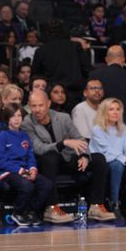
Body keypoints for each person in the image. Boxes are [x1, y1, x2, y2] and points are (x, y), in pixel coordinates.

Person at [22, 90, 115, 223]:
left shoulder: (63, 117)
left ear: (48, 104)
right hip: (45, 164)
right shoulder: (27, 123)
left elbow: (80, 140)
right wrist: (63, 143)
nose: (37, 110)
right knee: (50, 156)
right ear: (29, 106)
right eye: (33, 106)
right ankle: (51, 208)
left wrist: (84, 156)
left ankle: (96, 206)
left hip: (67, 159)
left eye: (40, 105)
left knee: (99, 158)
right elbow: (39, 148)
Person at [0, 103, 53, 226]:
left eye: (19, 116)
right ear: (7, 118)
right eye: (13, 116)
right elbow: (0, 161)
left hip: (25, 170)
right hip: (8, 171)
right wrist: (20, 171)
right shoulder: (2, 136)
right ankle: (18, 213)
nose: (17, 119)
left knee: (46, 184)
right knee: (27, 186)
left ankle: (31, 211)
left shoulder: (24, 135)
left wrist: (32, 169)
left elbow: (30, 156)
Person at [89, 98, 126, 221]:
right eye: (111, 109)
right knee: (117, 165)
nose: (115, 112)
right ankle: (115, 204)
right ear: (104, 112)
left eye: (118, 109)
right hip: (103, 164)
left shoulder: (123, 129)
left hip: (121, 161)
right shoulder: (97, 129)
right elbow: (108, 151)